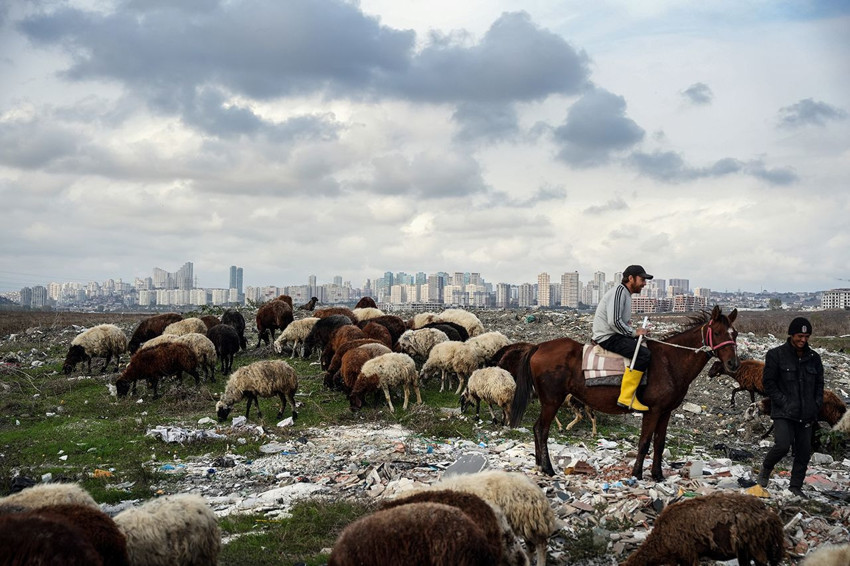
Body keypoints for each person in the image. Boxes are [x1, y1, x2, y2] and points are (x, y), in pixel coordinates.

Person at [758, 317, 824, 498]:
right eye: (800, 336)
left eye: (807, 336)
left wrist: (816, 405)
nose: (803, 340)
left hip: (806, 414)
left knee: (803, 453)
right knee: (782, 445)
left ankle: (795, 487)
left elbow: (820, 385)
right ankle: (766, 468)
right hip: (784, 412)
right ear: (791, 335)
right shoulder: (776, 355)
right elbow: (768, 383)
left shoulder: (814, 358)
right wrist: (783, 402)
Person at [592, 265, 653, 411]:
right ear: (630, 278)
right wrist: (633, 333)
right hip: (608, 337)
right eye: (642, 279)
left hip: (614, 334)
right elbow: (614, 322)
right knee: (643, 354)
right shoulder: (619, 292)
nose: (644, 283)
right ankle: (627, 397)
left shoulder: (625, 294)